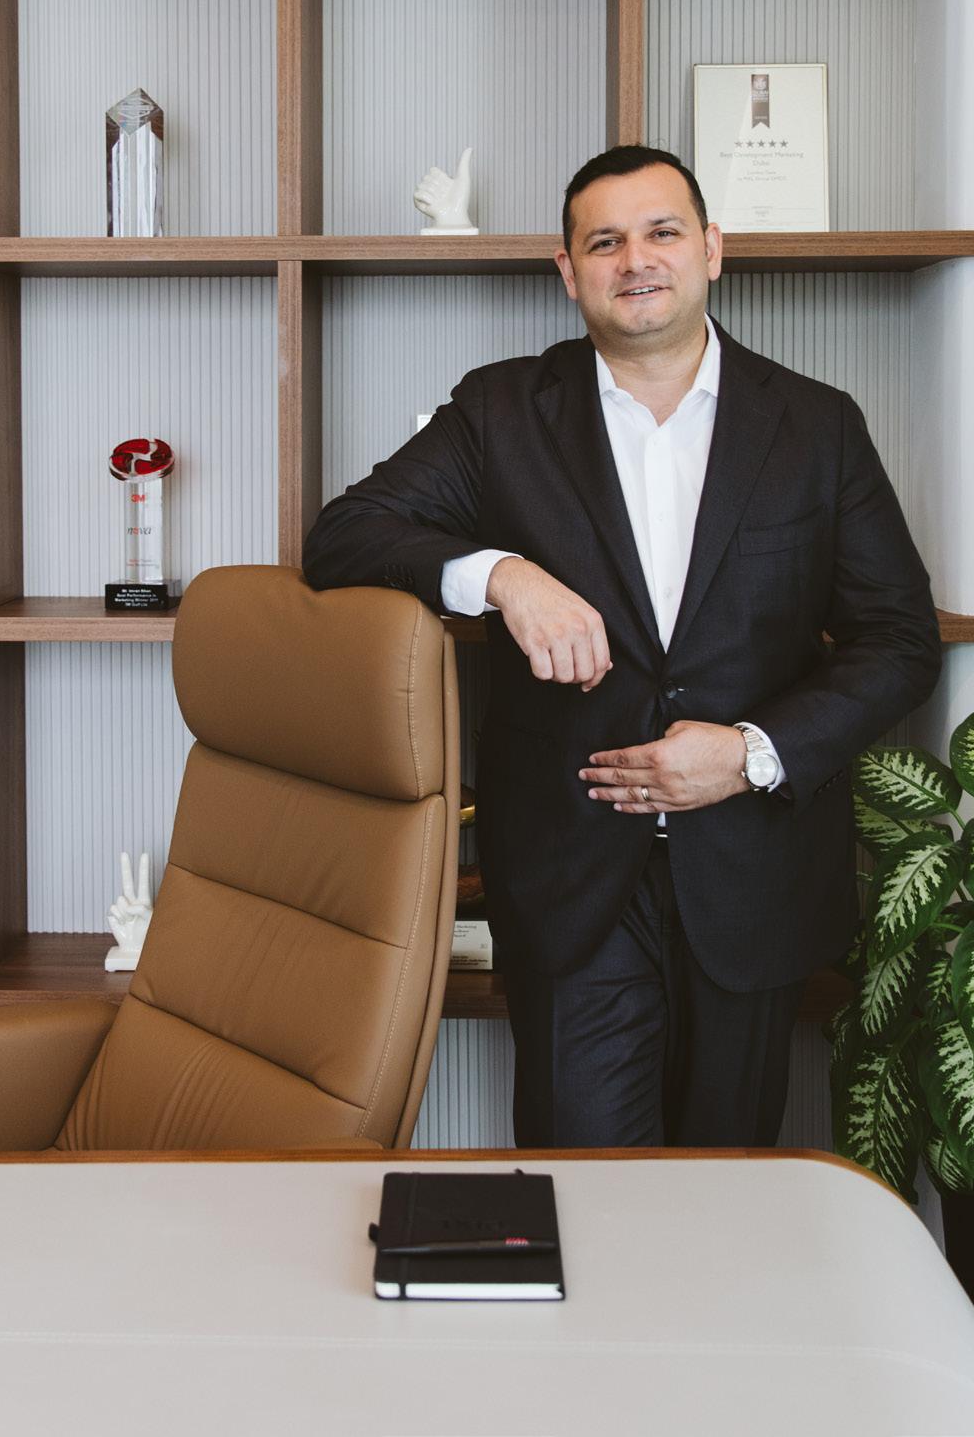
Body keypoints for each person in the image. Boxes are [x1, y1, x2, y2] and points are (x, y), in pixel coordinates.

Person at [301, 145, 940, 1149]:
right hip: (571, 886)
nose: (635, 260)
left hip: (753, 876)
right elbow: (343, 536)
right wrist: (502, 576)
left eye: (661, 232)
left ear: (711, 249)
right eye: (604, 243)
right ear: (569, 271)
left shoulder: (817, 425)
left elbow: (899, 640)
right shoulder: (500, 411)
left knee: (724, 1194)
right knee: (581, 1189)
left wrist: (751, 753)